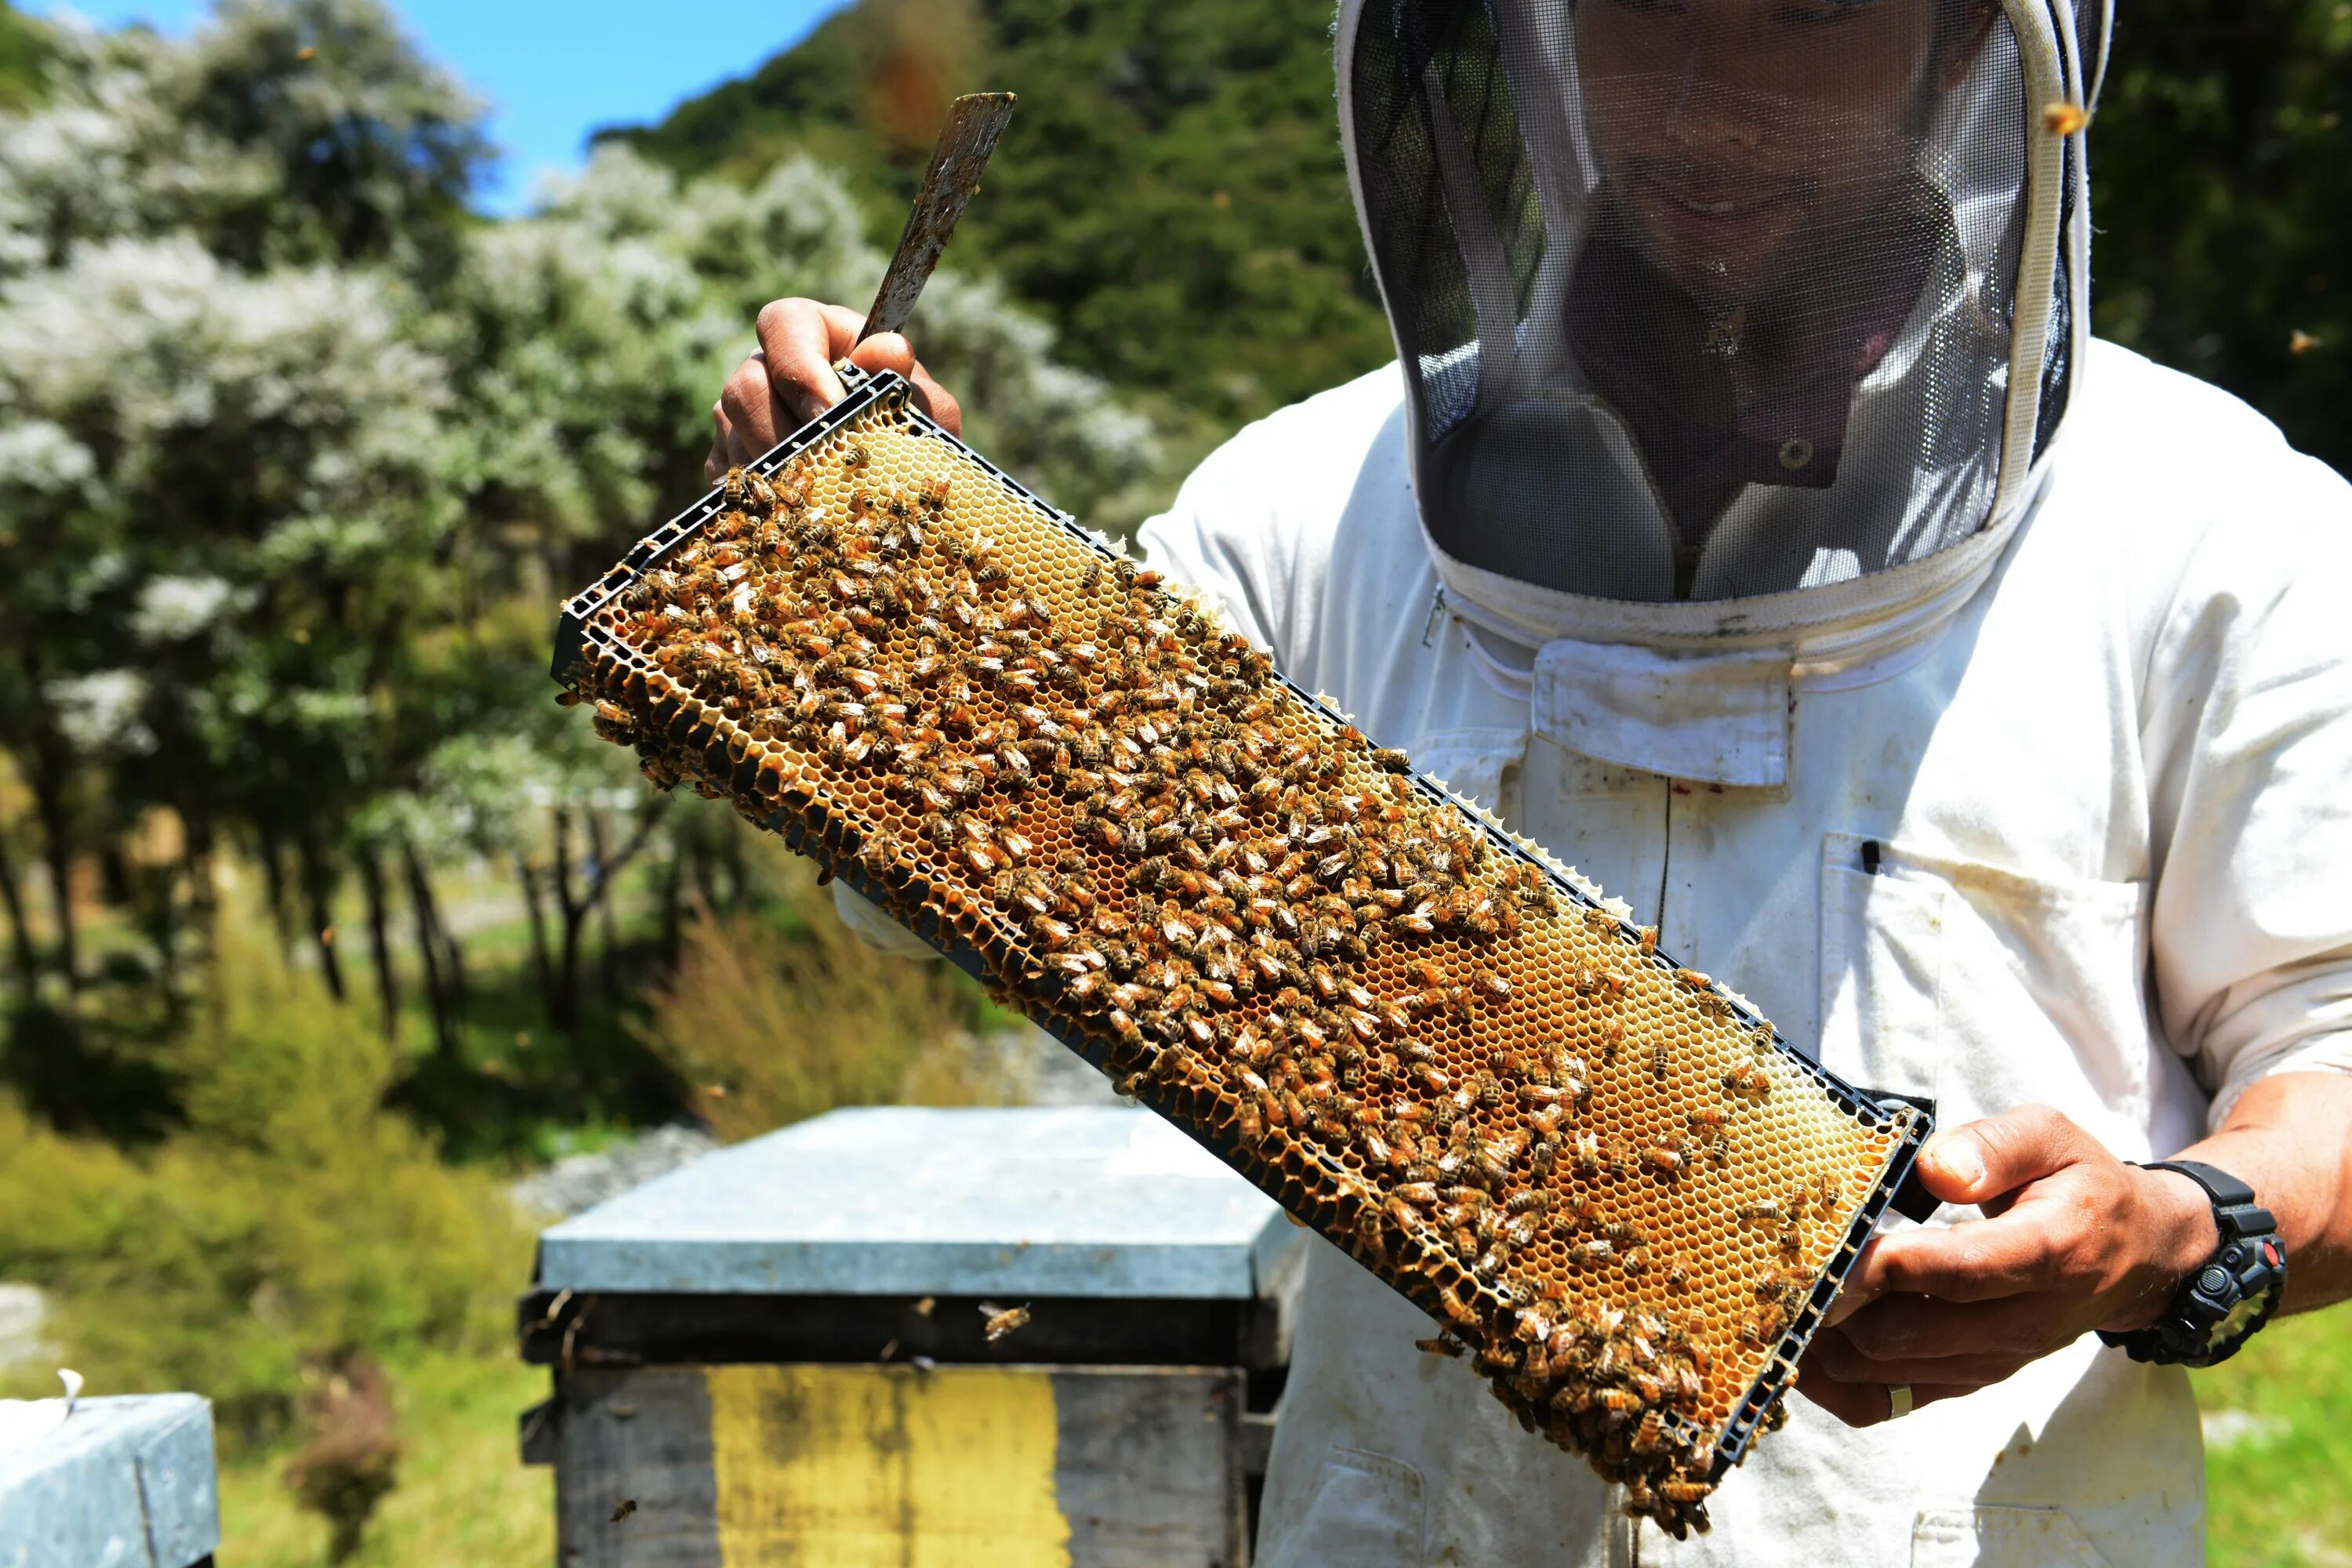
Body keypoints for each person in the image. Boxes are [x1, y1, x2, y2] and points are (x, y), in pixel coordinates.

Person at [703, 0, 2352, 1560]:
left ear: (1957, 56)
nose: (1707, 97)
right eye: (1640, 4)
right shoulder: (1294, 510)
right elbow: (966, 879)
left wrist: (2181, 1235)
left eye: (1805, 13)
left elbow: (2330, 1062)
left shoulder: (2214, 530)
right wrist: (876, 565)